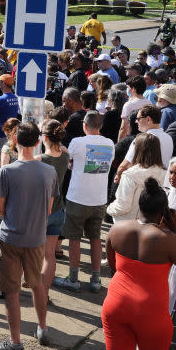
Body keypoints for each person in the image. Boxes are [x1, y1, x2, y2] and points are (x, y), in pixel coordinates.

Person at [100, 179, 176, 350]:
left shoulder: (117, 230)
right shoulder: (167, 239)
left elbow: (113, 268)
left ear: (139, 205)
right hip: (151, 311)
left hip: (116, 302)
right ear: (162, 210)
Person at [0, 122, 58, 350]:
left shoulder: (8, 171)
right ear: (38, 142)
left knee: (11, 290)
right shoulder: (49, 171)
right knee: (37, 283)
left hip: (10, 236)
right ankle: (43, 328)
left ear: (15, 141)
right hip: (36, 237)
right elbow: (49, 209)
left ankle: (15, 341)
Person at [53, 111, 114, 293]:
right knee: (96, 239)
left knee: (74, 239)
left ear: (84, 125)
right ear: (101, 126)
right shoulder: (110, 143)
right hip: (99, 199)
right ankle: (95, 280)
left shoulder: (77, 142)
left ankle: (73, 279)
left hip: (78, 198)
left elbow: (66, 156)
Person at [39, 120, 70, 294]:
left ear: (44, 137)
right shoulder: (65, 155)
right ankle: (45, 291)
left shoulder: (40, 159)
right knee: (50, 255)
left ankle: (34, 285)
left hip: (42, 212)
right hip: (59, 209)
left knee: (36, 254)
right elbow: (63, 150)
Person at [109, 133, 167, 222]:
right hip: (152, 224)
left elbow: (123, 206)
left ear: (138, 150)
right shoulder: (165, 173)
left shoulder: (130, 175)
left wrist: (109, 209)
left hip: (127, 224)